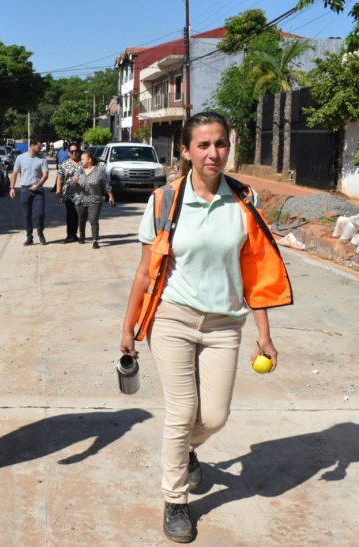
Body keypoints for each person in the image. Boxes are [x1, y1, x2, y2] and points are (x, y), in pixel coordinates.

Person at [119, 111, 293, 543]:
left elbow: (255, 272)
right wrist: (128, 330)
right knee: (181, 412)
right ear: (186, 151)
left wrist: (265, 333)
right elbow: (144, 273)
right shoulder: (164, 201)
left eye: (220, 144)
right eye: (203, 145)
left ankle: (188, 452)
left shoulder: (244, 201)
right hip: (173, 318)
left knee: (214, 415)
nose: (213, 152)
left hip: (224, 324)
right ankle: (175, 499)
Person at [70, 151, 115, 248]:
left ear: (89, 160)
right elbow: (73, 187)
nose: (81, 161)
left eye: (83, 159)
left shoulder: (99, 172)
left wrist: (111, 196)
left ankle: (95, 240)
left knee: (93, 220)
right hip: (80, 199)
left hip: (95, 199)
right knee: (81, 219)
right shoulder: (79, 171)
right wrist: (74, 182)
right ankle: (82, 236)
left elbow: (106, 184)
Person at [10, 139, 49, 246]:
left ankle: (40, 233)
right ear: (32, 145)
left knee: (40, 213)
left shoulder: (42, 159)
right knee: (27, 214)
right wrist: (12, 187)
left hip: (38, 189)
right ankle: (29, 237)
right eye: (39, 147)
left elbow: (45, 175)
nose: (40, 149)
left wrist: (37, 185)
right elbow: (14, 173)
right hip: (25, 189)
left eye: (41, 147)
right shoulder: (20, 158)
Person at [55, 143, 83, 242]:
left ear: (79, 152)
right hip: (68, 192)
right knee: (70, 213)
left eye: (76, 151)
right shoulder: (64, 164)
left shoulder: (83, 163)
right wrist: (58, 190)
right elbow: (59, 178)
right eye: (72, 152)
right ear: (68, 152)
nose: (74, 153)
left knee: (78, 214)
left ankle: (76, 234)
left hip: (81, 193)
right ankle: (70, 234)